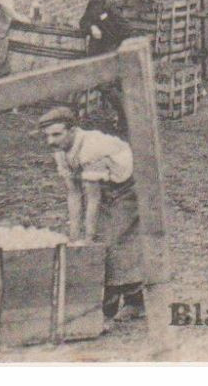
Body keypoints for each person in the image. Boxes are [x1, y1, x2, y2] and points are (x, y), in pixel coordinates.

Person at [40, 106, 144, 320]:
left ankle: (133, 301)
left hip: (127, 186)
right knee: (97, 239)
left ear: (72, 130)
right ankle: (109, 299)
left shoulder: (91, 148)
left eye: (56, 134)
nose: (51, 141)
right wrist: (74, 236)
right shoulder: (61, 152)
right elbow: (74, 195)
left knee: (113, 240)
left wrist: (87, 239)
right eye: (48, 136)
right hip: (103, 186)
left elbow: (93, 198)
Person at [79, 0, 129, 133]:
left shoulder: (109, 5)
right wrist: (92, 27)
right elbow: (83, 22)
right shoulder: (93, 4)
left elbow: (125, 28)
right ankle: (124, 117)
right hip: (98, 51)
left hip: (108, 51)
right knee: (106, 85)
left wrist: (111, 41)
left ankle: (125, 117)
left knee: (106, 85)